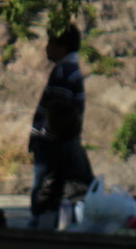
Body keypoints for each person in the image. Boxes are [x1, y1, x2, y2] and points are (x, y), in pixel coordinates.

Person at [28, 24, 85, 227]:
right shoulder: (71, 70)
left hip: (52, 145)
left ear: (62, 46)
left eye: (50, 42)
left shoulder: (63, 72)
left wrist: (44, 139)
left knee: (44, 192)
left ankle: (37, 231)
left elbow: (58, 112)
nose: (46, 47)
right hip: (60, 144)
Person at [30, 96, 94, 228]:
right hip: (82, 204)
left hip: (65, 207)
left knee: (33, 226)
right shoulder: (76, 146)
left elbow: (51, 183)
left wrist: (37, 208)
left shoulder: (57, 148)